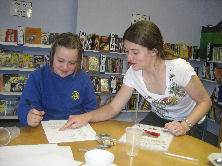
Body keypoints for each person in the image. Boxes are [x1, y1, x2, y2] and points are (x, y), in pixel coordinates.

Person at [60, 21, 211, 139]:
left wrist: (185, 125)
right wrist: (85, 117)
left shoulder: (179, 68)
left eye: (135, 52)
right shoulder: (133, 73)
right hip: (159, 117)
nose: (128, 58)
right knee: (135, 143)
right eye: (127, 51)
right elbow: (113, 108)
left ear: (154, 51)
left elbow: (205, 102)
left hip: (190, 120)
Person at [18, 32, 98, 127]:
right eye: (60, 61)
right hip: (44, 128)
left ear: (78, 62)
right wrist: (28, 116)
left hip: (76, 129)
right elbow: (25, 107)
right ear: (52, 57)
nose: (65, 67)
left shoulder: (83, 78)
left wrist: (86, 117)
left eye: (72, 63)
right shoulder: (37, 77)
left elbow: (92, 110)